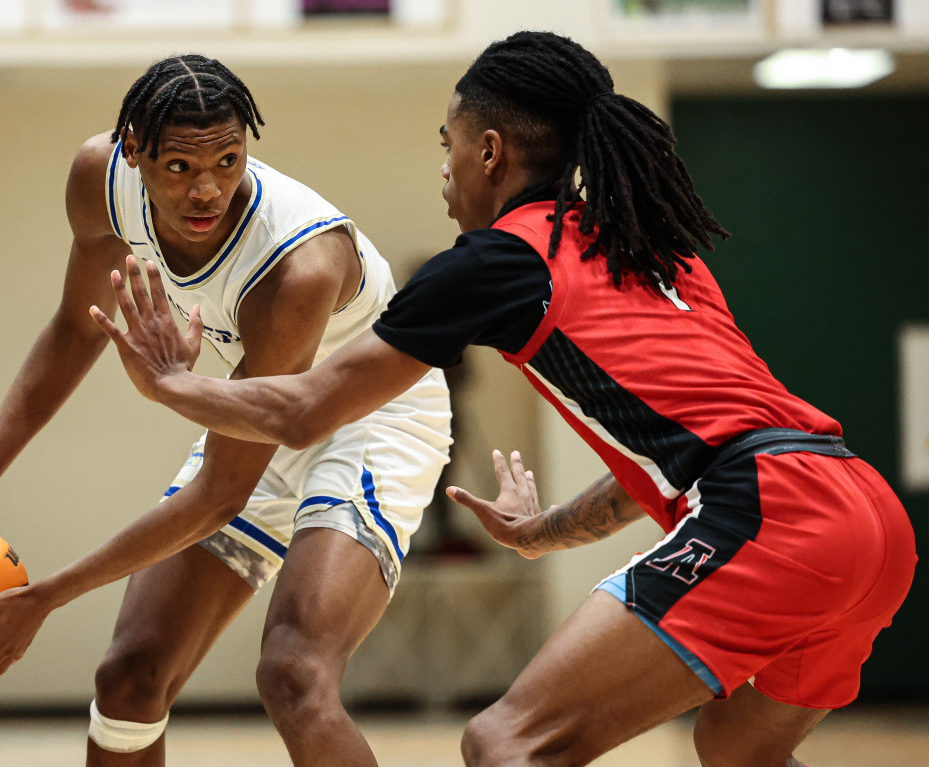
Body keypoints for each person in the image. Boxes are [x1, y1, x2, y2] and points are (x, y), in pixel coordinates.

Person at [88, 31, 918, 767]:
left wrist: (174, 384)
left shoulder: (494, 261)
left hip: (773, 516)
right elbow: (689, 451)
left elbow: (310, 409)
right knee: (736, 748)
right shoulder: (651, 245)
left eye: (445, 143)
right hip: (864, 514)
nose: (442, 166)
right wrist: (546, 530)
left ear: (489, 152)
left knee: (505, 743)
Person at [0, 54, 451, 767]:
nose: (208, 188)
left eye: (229, 160)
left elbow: (221, 492)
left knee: (294, 675)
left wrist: (46, 597)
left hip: (371, 418)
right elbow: (77, 328)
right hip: (255, 408)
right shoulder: (99, 179)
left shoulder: (300, 264)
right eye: (179, 167)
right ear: (135, 153)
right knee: (130, 677)